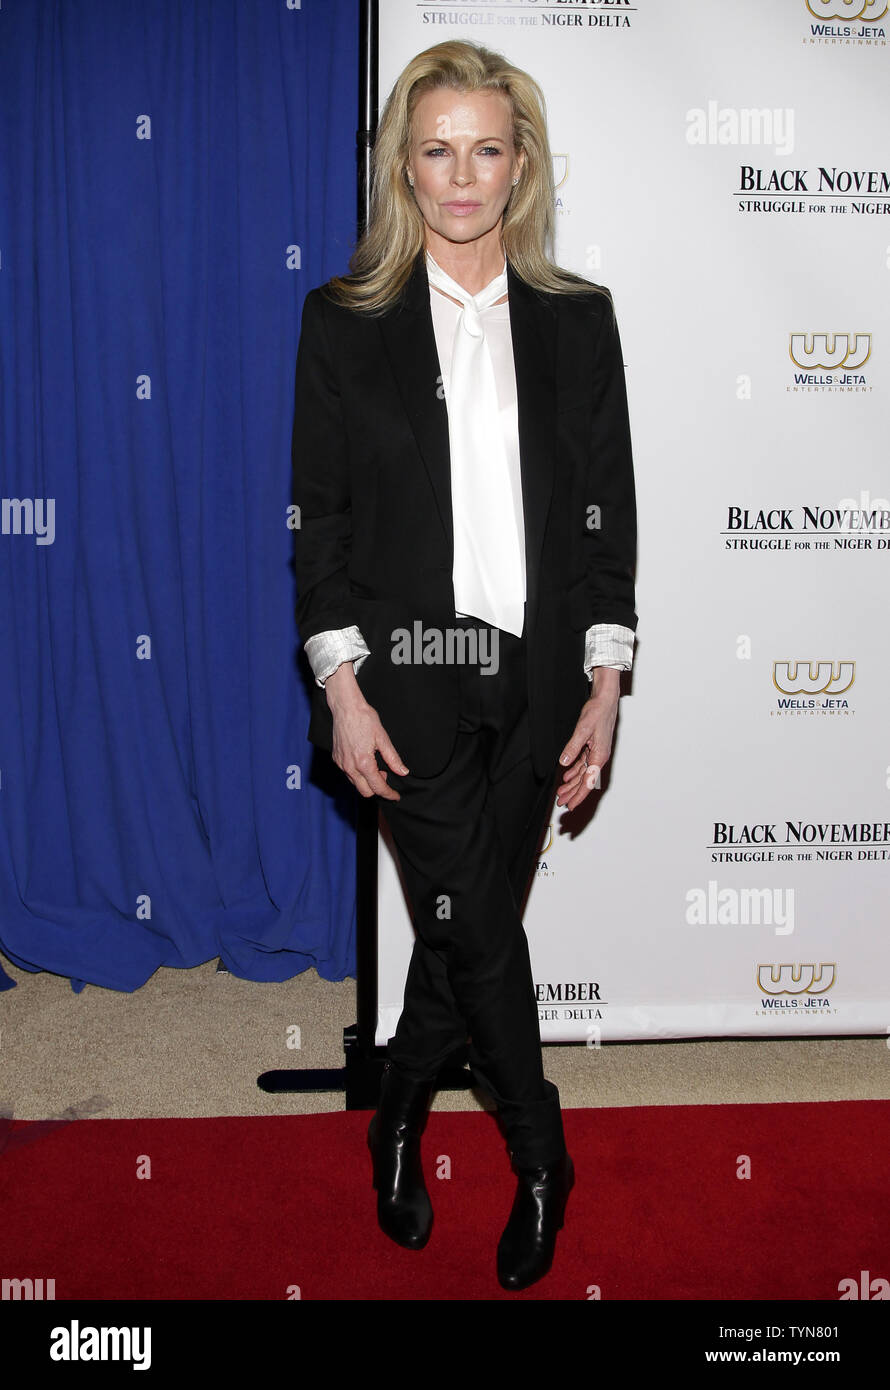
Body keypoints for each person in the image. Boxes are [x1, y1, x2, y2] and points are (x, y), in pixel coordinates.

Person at [291, 39, 638, 1292]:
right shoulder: (344, 322)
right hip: (409, 676)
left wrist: (603, 685)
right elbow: (316, 525)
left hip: (540, 677)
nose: (459, 175)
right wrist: (340, 685)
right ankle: (544, 1160)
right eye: (433, 148)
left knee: (457, 933)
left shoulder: (577, 319)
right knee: (485, 938)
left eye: (484, 147)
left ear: (519, 162)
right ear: (401, 164)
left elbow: (607, 517)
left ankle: (391, 1114)